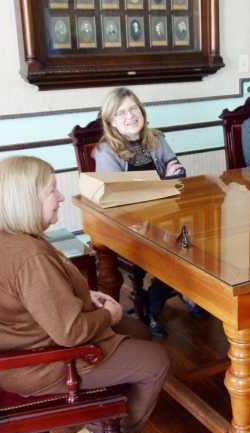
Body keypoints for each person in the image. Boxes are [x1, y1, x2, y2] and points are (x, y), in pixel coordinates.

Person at [0, 156, 170, 433]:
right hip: (36, 363)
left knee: (139, 331)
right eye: (52, 190)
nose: (61, 197)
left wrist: (83, 296)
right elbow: (71, 333)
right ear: (26, 200)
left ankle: (98, 422)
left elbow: (27, 294)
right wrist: (109, 314)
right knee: (155, 361)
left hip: (18, 342)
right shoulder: (29, 257)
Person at [95, 87, 203, 338]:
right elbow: (119, 195)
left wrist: (170, 173)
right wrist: (164, 180)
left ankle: (163, 292)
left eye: (133, 109)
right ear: (111, 121)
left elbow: (176, 168)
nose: (130, 116)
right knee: (170, 250)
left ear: (142, 112)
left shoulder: (155, 138)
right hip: (130, 224)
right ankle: (155, 304)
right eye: (121, 112)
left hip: (166, 215)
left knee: (193, 243)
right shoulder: (106, 151)